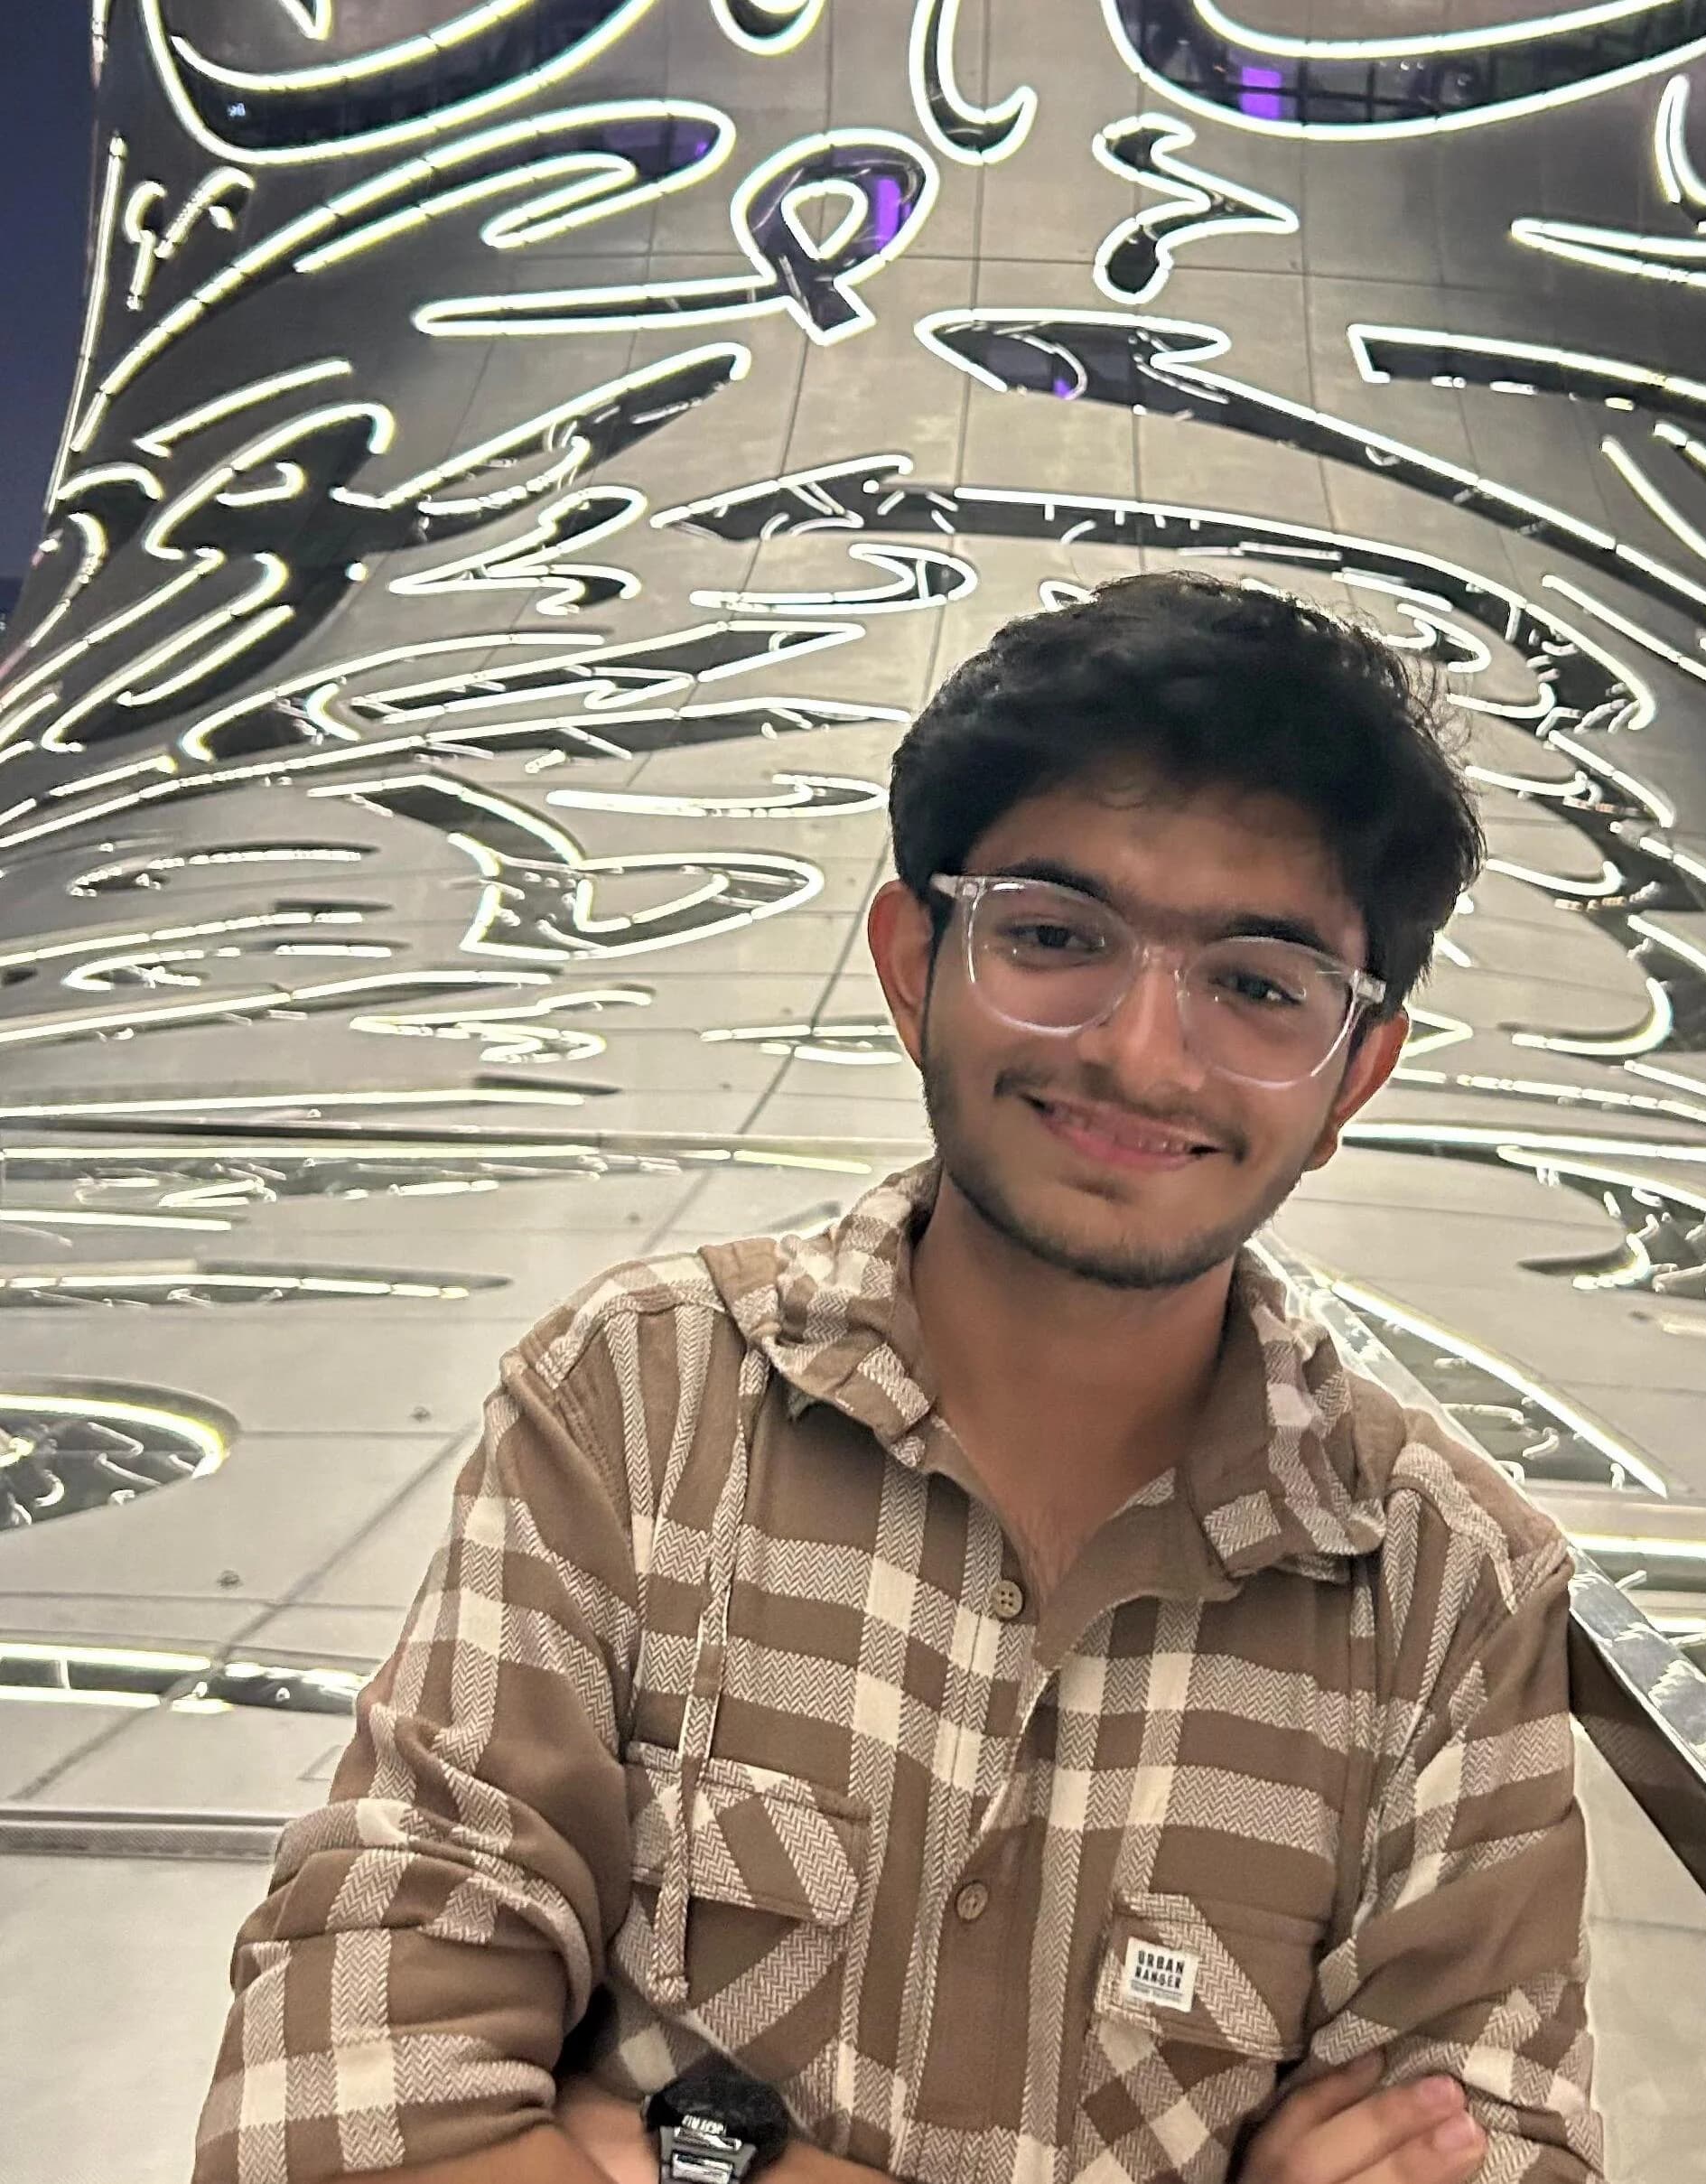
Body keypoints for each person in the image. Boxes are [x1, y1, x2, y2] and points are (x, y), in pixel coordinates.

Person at [192, 572, 1605, 2184]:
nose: (1140, 1052)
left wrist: (689, 2165)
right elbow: (329, 2124)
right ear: (911, 960)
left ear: (1356, 1072)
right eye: (1055, 937)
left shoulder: (1447, 1598)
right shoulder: (640, 1407)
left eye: (1258, 985)